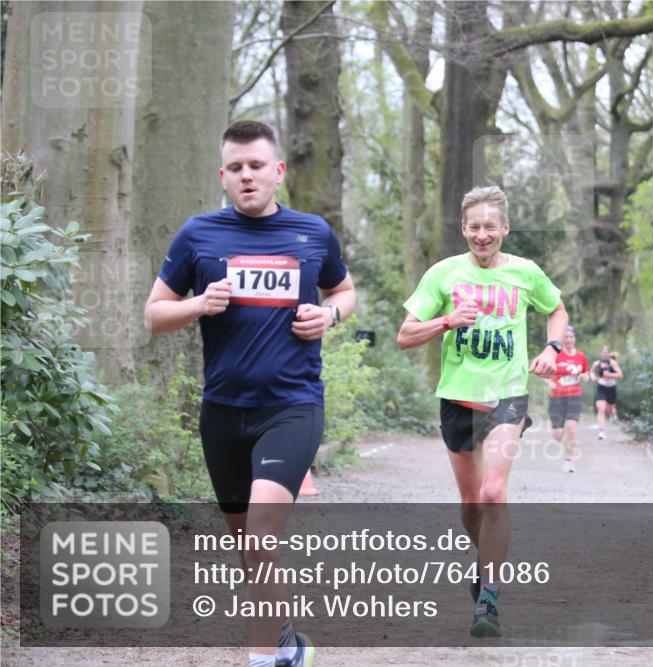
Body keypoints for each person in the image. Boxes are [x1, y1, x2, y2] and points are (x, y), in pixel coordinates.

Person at [144, 120, 356, 667]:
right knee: (248, 546)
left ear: (277, 171)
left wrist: (329, 315)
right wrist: (198, 304)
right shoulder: (198, 235)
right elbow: (154, 316)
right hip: (222, 413)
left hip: (292, 407)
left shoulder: (313, 233)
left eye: (256, 166)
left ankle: (262, 661)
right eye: (235, 168)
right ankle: (286, 642)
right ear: (223, 175)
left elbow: (344, 290)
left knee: (262, 536)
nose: (246, 176)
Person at [397, 185, 568, 638]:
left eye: (490, 226)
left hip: (506, 396)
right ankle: (487, 558)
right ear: (463, 229)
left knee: (493, 493)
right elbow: (405, 336)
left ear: (505, 228)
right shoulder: (443, 274)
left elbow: (557, 310)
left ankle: (489, 596)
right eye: (474, 227)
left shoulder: (525, 272)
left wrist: (551, 348)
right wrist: (447, 321)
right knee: (472, 503)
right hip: (458, 398)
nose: (482, 235)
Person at [544, 326, 588, 472]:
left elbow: (586, 373)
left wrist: (584, 376)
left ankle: (569, 461)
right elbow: (544, 374)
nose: (568, 340)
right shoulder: (556, 355)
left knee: (571, 429)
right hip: (556, 398)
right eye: (566, 337)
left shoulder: (581, 356)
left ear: (574, 338)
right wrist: (549, 382)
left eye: (570, 337)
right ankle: (559, 433)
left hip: (574, 397)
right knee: (558, 435)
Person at [591, 345, 623, 439]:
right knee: (601, 409)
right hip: (601, 388)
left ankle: (613, 414)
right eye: (603, 353)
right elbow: (591, 371)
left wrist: (609, 375)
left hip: (611, 389)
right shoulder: (596, 364)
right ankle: (601, 432)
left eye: (606, 353)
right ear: (601, 354)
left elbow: (620, 375)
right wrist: (593, 377)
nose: (605, 354)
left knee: (610, 410)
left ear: (608, 354)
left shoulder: (613, 363)